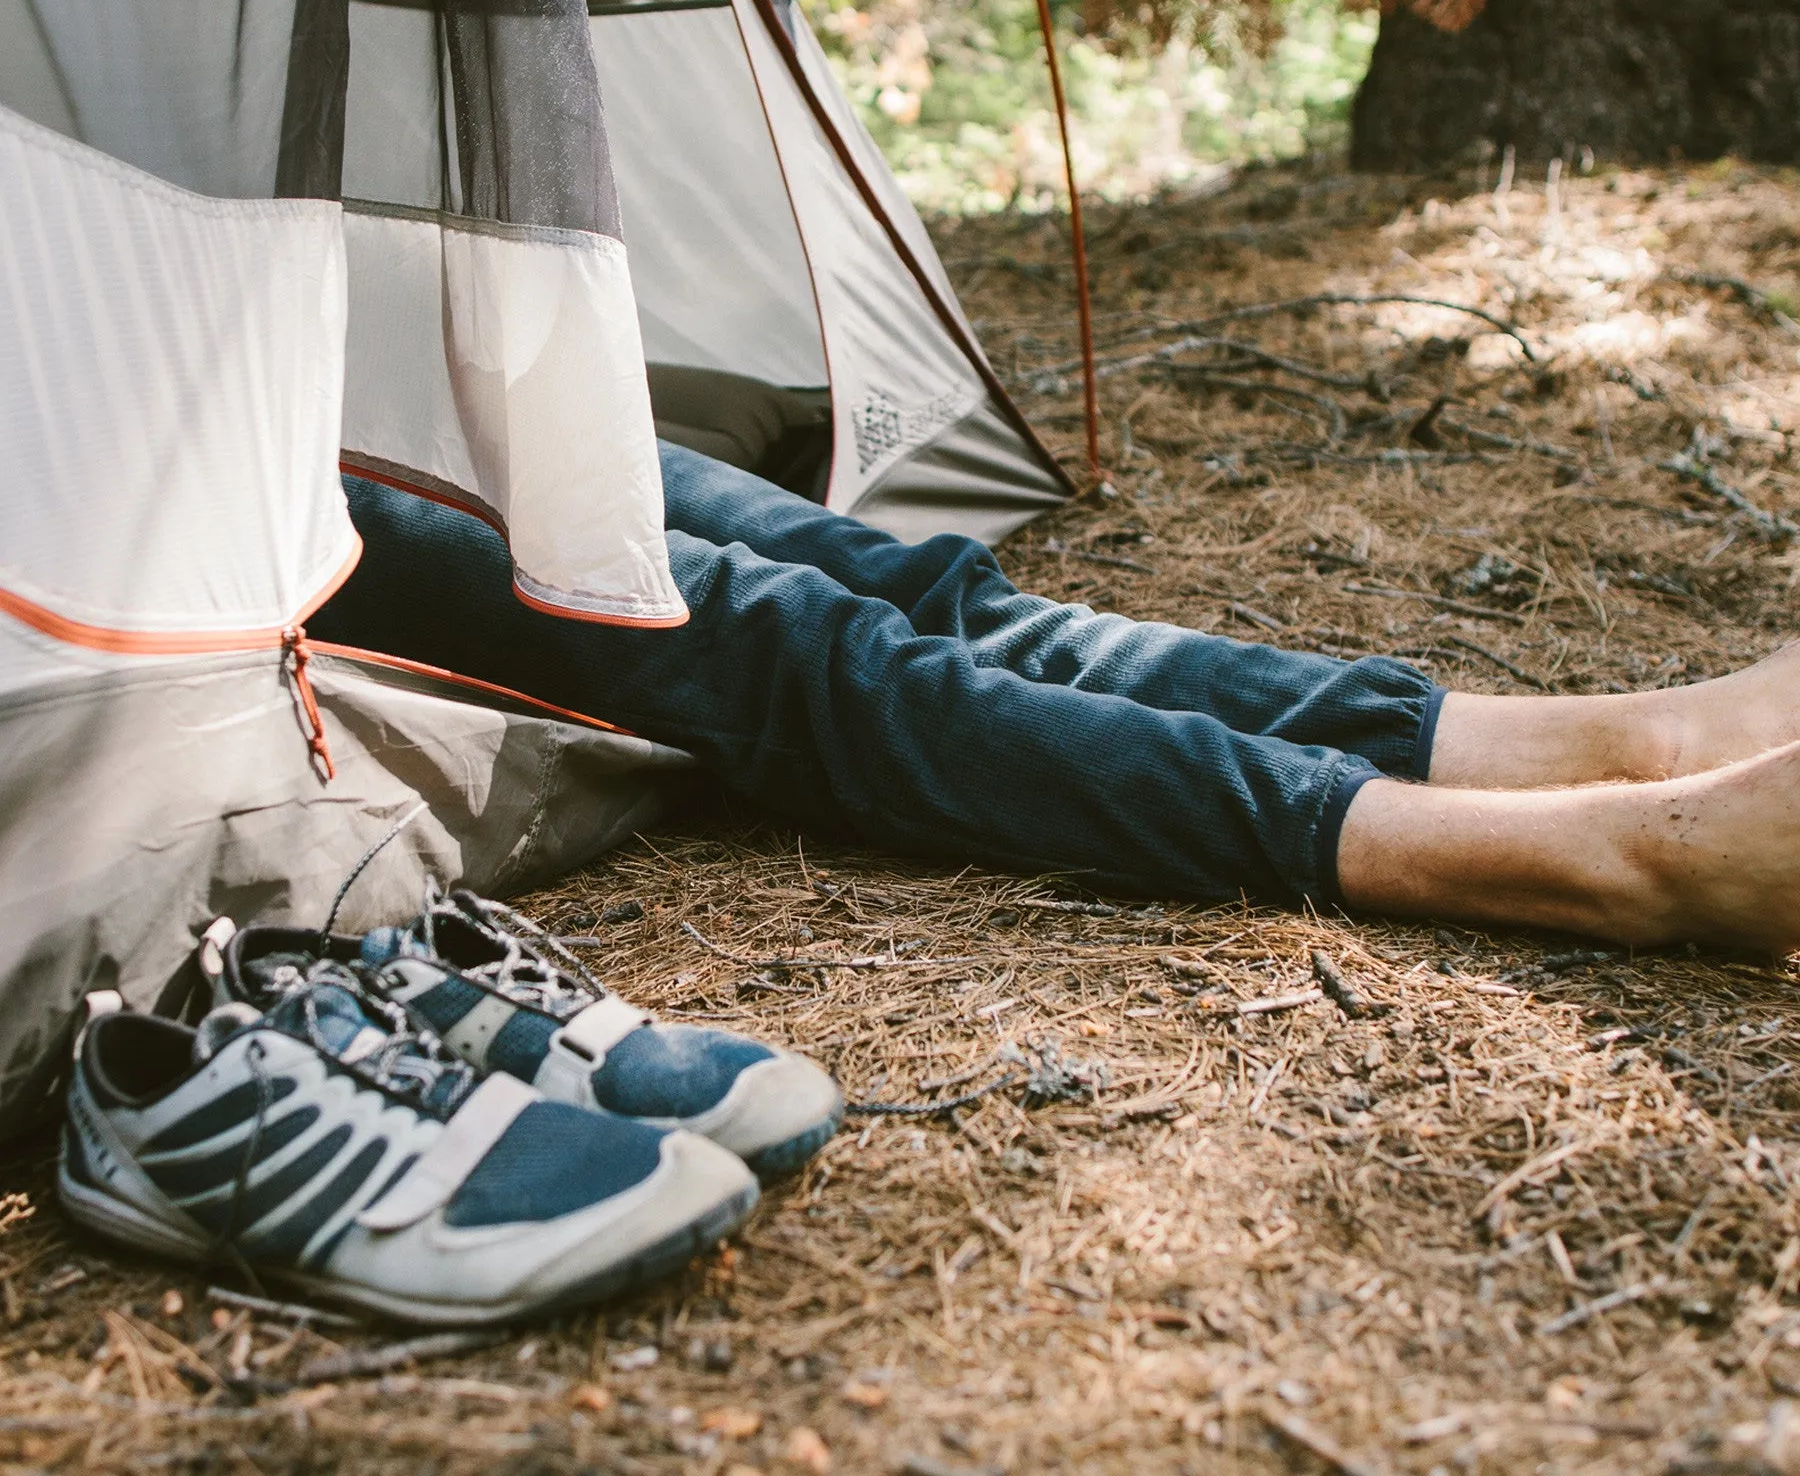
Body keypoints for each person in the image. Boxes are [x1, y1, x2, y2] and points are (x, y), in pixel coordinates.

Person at [311, 441, 1800, 955]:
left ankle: (1616, 745)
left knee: (919, 589)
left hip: (333, 395)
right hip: (212, 515)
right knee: (800, 647)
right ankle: (1600, 858)